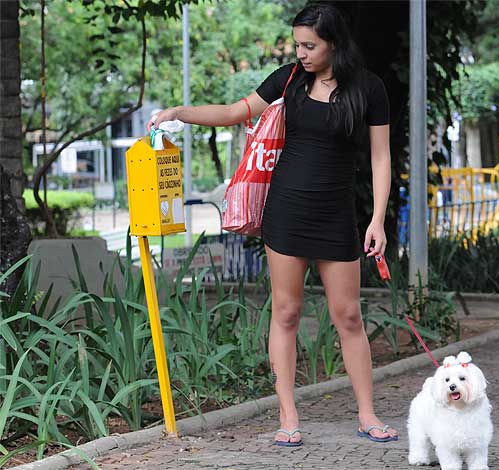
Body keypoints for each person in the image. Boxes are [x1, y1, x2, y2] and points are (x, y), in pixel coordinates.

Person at [148, 3, 396, 447]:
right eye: (297, 44)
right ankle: (288, 416)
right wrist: (178, 113)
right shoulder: (289, 79)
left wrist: (377, 219)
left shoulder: (368, 88)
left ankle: (367, 414)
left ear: (334, 43)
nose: (300, 53)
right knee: (285, 312)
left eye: (309, 46)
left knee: (348, 316)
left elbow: (381, 157)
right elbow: (234, 111)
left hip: (336, 215)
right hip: (286, 211)